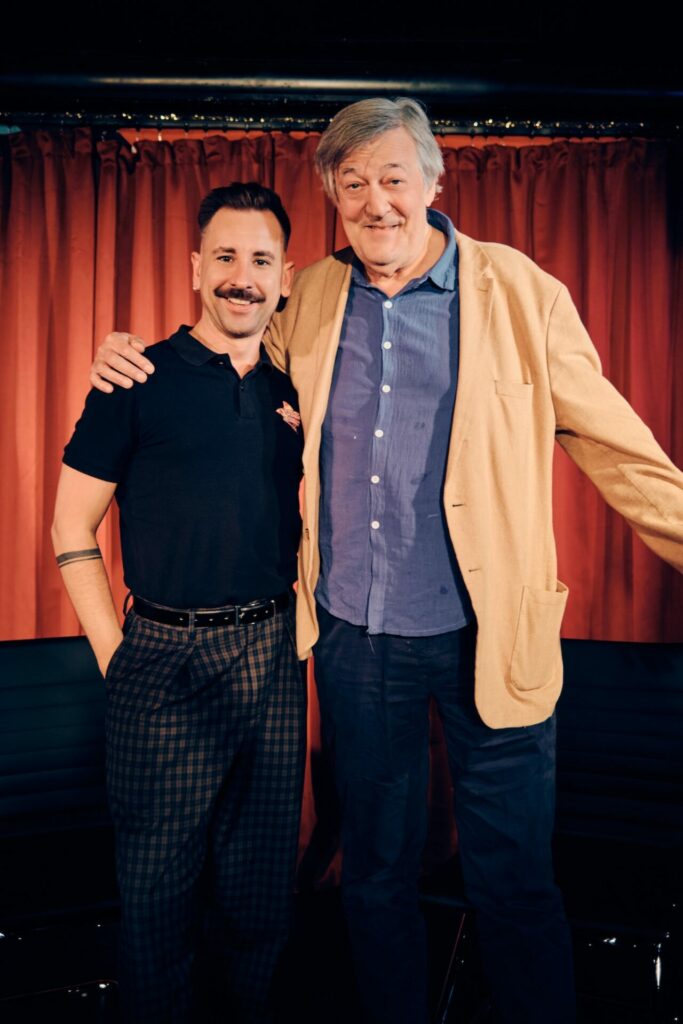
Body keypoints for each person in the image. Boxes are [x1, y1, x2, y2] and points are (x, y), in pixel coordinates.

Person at [89, 100, 683, 1024]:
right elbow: (225, 349)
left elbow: (622, 451)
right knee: (373, 878)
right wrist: (131, 356)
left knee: (515, 884)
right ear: (331, 195)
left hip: (492, 641)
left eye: (393, 178)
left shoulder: (523, 294)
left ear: (435, 183)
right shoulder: (313, 295)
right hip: (358, 643)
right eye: (353, 184)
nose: (376, 203)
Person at [52, 182, 306, 1024]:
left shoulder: (297, 391)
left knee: (260, 891)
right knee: (158, 898)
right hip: (160, 657)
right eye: (225, 257)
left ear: (285, 274)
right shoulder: (134, 378)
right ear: (195, 266)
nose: (242, 277)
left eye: (260, 260)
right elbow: (70, 526)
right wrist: (115, 655)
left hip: (271, 655)